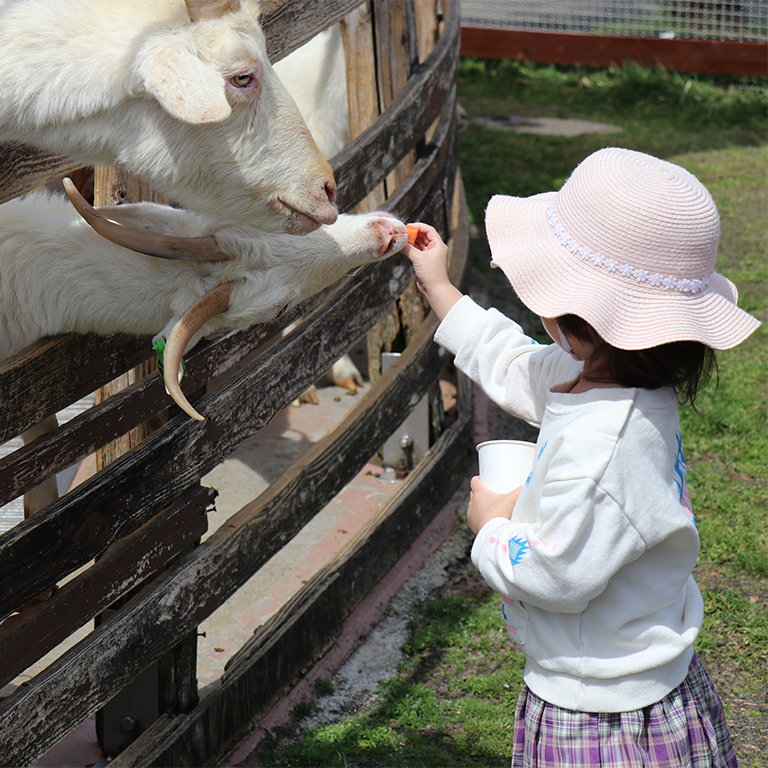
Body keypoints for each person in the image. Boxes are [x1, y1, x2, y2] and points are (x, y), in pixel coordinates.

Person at [403, 147, 759, 767]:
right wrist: (439, 285)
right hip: (619, 676)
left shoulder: (605, 451)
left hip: (605, 711)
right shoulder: (607, 378)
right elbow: (512, 364)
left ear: (576, 315)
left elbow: (554, 576)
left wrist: (491, 528)